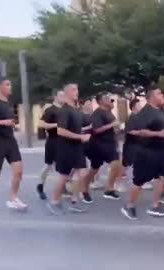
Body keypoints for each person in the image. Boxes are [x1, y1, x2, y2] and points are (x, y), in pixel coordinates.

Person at [121, 86, 164, 220]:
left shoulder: (159, 112)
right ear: (151, 97)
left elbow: (161, 129)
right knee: (139, 181)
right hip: (146, 152)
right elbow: (140, 131)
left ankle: (155, 206)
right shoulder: (145, 112)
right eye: (159, 93)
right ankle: (129, 205)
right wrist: (158, 133)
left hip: (160, 151)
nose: (162, 96)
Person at [47, 83, 90, 215]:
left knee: (82, 173)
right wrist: (80, 137)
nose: (76, 92)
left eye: (77, 89)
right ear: (66, 94)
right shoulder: (64, 111)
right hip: (65, 148)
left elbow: (82, 125)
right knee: (64, 176)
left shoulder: (76, 110)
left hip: (76, 147)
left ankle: (74, 201)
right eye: (73, 90)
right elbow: (60, 131)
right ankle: (54, 202)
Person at [0, 79, 27, 213]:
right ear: (0, 87)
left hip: (10, 140)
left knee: (18, 170)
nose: (10, 87)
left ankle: (13, 198)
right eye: (7, 84)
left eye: (10, 84)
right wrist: (2, 122)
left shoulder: (8, 103)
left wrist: (11, 124)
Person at [81, 92, 122, 203]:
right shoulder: (97, 114)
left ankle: (109, 189)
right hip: (99, 145)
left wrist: (117, 129)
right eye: (107, 98)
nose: (110, 100)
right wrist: (112, 125)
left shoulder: (109, 113)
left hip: (110, 144)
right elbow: (96, 130)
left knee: (116, 165)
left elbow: (114, 128)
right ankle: (84, 189)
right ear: (100, 101)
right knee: (95, 169)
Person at [36, 90, 66, 200]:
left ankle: (63, 187)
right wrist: (56, 125)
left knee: (66, 165)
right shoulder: (50, 110)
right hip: (53, 141)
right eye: (61, 95)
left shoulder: (65, 110)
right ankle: (40, 186)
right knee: (48, 166)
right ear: (55, 97)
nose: (63, 97)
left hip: (65, 141)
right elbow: (41, 124)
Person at [120, 98, 143, 190]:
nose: (141, 106)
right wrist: (140, 133)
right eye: (139, 105)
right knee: (126, 164)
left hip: (138, 144)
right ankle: (117, 181)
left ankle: (140, 180)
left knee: (136, 163)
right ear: (134, 107)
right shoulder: (131, 117)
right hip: (131, 145)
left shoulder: (139, 117)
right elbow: (129, 131)